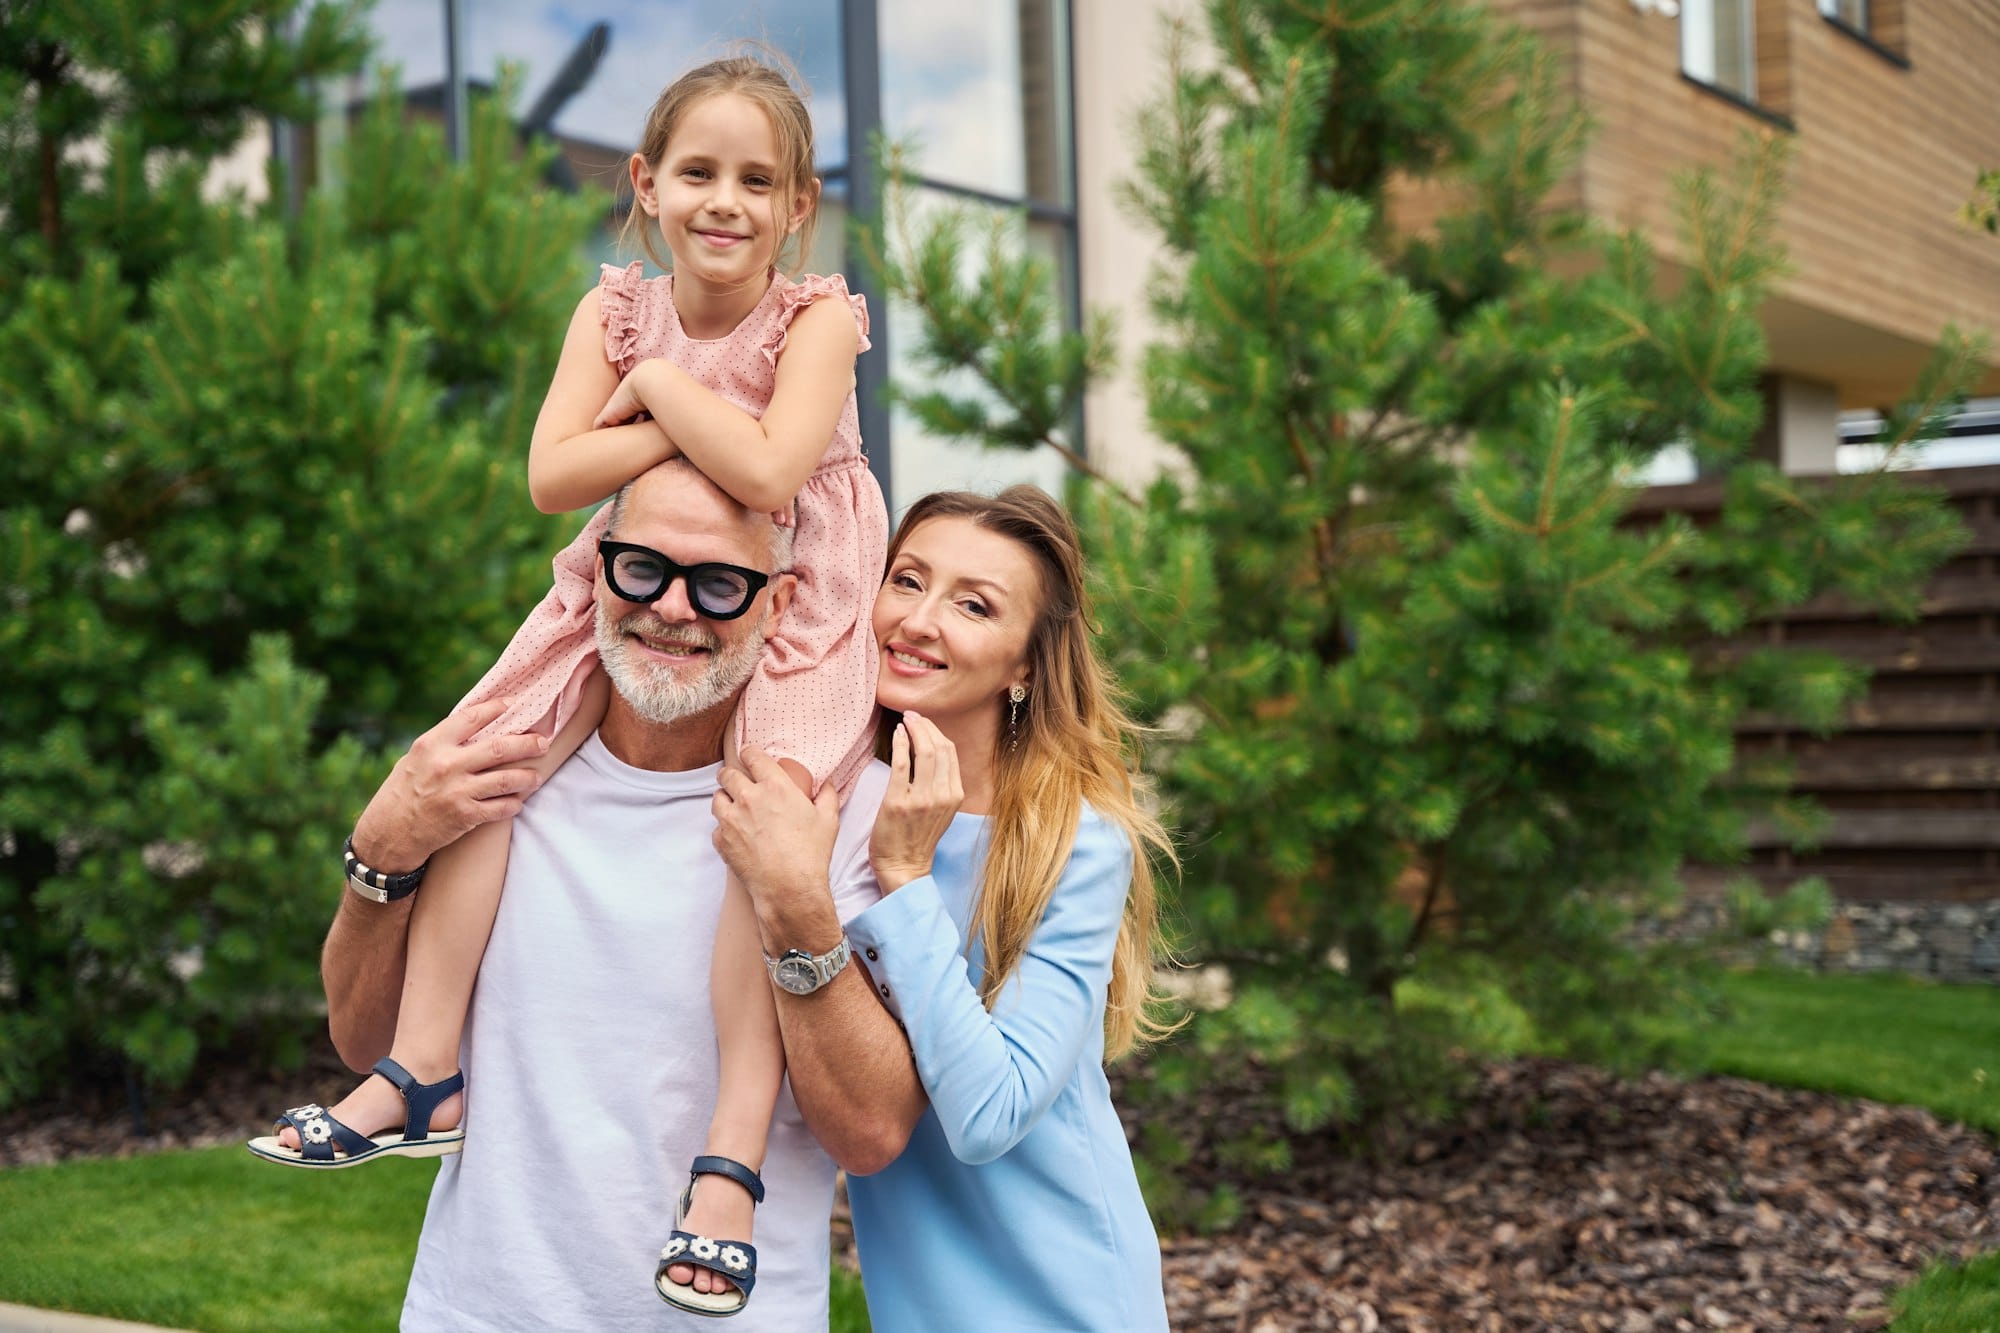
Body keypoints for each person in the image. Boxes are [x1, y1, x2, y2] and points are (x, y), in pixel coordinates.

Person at [249, 53, 886, 1316]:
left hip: (801, 593)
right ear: (643, 185)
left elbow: (769, 475)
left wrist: (650, 389)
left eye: (758, 180)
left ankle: (728, 1165)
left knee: (768, 841)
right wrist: (662, 388)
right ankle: (424, 1068)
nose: (726, 201)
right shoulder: (610, 312)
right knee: (483, 757)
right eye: (696, 172)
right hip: (629, 547)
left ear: (799, 204)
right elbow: (552, 478)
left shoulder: (816, 317)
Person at [267, 458, 893, 1330]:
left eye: (719, 584)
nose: (672, 608)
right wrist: (380, 850)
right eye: (642, 567)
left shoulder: (836, 812)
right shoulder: (488, 776)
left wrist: (800, 907)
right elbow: (361, 1037)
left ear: (781, 604)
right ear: (596, 564)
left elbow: (870, 1135)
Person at [710, 486, 1180, 1331]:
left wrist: (906, 878)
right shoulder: (833, 797)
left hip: (1065, 1291)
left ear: (1025, 666)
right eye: (907, 579)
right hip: (915, 1293)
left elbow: (989, 1114)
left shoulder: (1074, 844)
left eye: (972, 604)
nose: (918, 620)